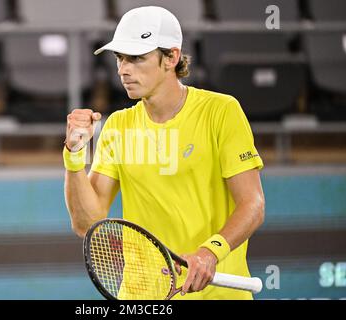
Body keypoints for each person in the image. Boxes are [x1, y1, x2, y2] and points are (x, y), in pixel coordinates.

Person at [63, 6, 265, 300]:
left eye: (136, 58)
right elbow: (86, 224)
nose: (123, 69)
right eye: (120, 58)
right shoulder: (118, 126)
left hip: (217, 295)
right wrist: (74, 154)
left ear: (171, 57)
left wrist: (209, 254)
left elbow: (253, 204)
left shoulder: (222, 112)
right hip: (141, 298)